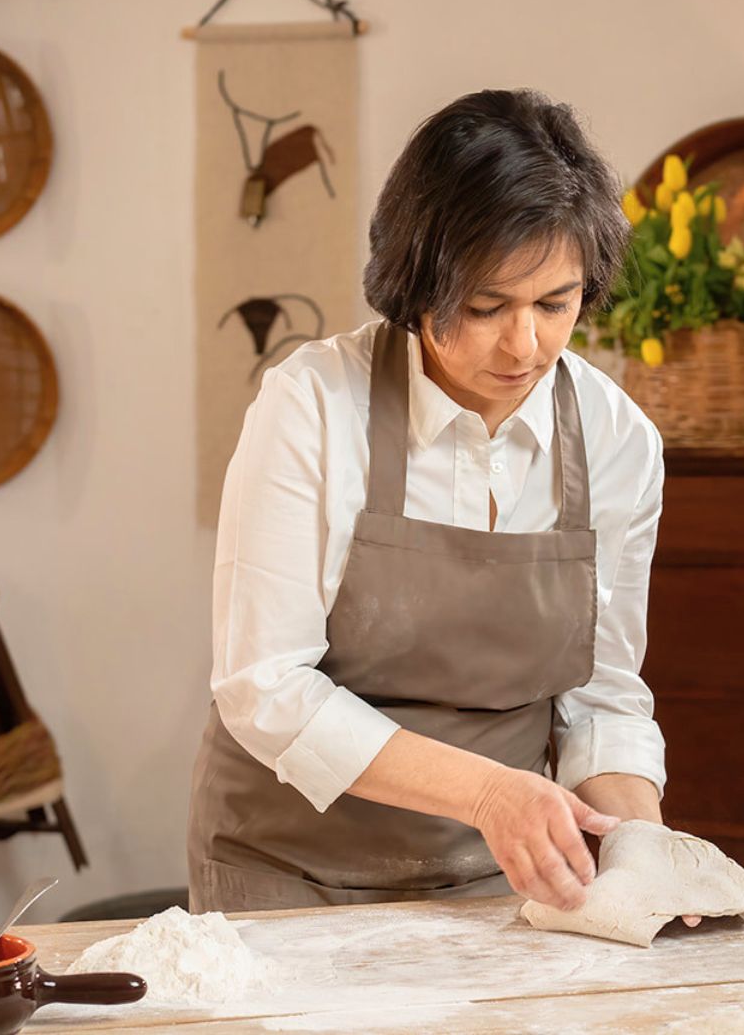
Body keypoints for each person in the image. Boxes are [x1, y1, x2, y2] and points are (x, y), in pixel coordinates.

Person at [188, 89, 672, 916]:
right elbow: (264, 686)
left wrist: (647, 849)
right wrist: (489, 794)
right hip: (287, 873)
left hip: (498, 878)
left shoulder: (616, 438)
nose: (525, 346)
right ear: (415, 285)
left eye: (555, 305)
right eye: (487, 307)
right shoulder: (311, 404)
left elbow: (599, 694)